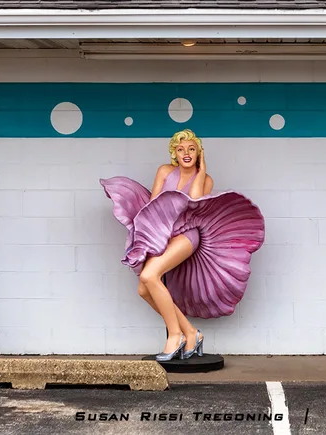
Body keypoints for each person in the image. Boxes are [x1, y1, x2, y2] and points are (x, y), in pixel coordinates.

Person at [100, 129, 265, 361]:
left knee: (149, 276)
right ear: (174, 153)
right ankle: (190, 332)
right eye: (180, 149)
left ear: (199, 153)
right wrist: (152, 235)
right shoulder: (165, 171)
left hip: (189, 234)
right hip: (162, 233)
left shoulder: (205, 179)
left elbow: (195, 202)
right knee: (144, 289)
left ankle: (175, 335)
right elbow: (153, 204)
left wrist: (202, 170)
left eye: (191, 149)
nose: (186, 153)